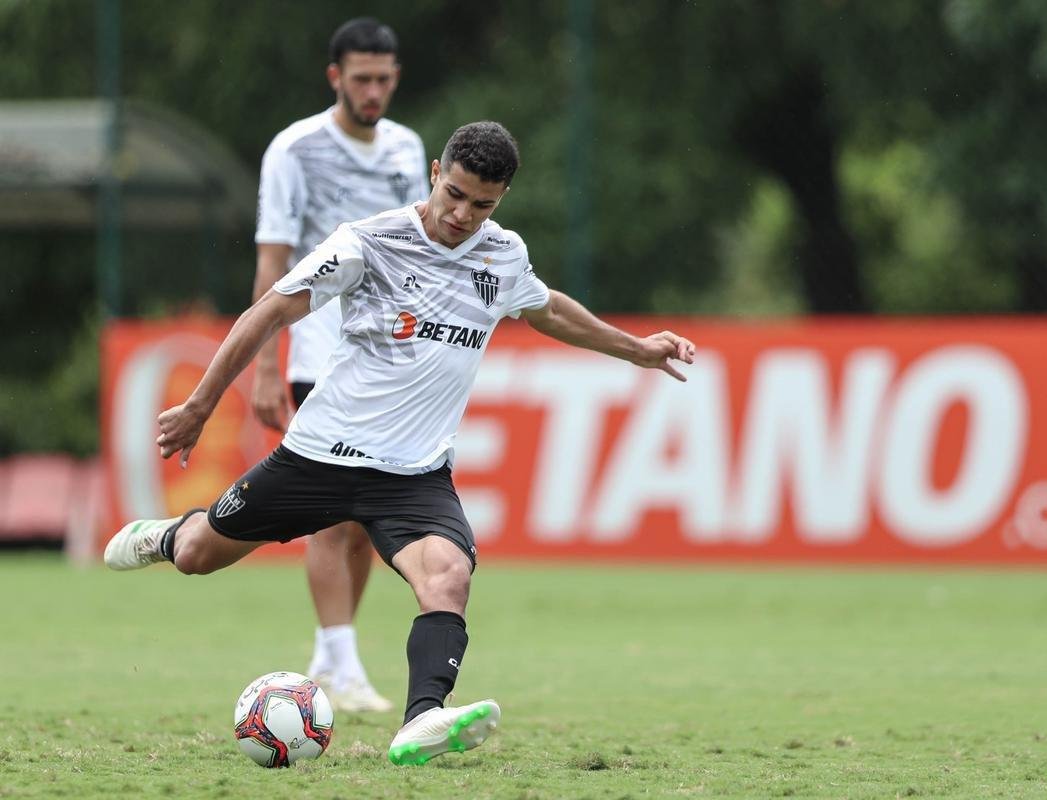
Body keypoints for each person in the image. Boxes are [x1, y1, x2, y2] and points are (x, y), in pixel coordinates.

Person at [103, 121, 696, 766]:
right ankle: (165, 535)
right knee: (197, 554)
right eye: (457, 196)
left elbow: (546, 308)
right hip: (318, 458)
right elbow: (270, 310)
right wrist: (201, 404)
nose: (463, 215)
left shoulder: (502, 255)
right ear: (437, 173)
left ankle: (423, 719)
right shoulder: (368, 242)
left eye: (484, 204)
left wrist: (637, 349)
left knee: (449, 574)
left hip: (413, 476)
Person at [252, 17, 428, 713]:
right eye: (361, 79)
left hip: (387, 352)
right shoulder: (294, 149)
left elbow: (415, 252)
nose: (373, 91)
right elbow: (273, 258)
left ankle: (332, 659)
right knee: (332, 512)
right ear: (336, 78)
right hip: (320, 345)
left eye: (384, 79)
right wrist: (266, 365)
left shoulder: (408, 150)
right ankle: (341, 665)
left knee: (362, 516)